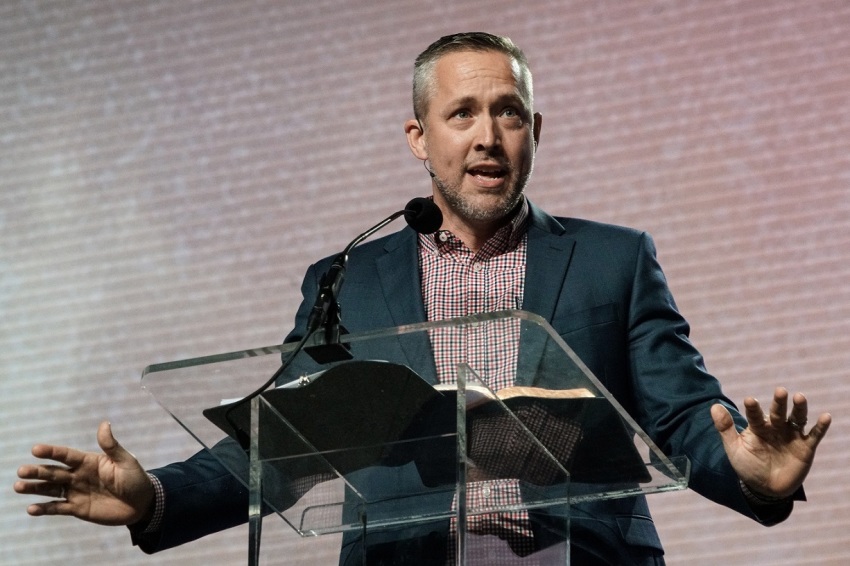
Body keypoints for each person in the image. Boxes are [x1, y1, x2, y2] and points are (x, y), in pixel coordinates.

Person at [14, 32, 831, 565]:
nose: (487, 135)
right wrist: (151, 498)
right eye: (463, 113)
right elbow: (278, 446)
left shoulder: (615, 260)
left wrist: (754, 475)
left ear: (534, 133)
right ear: (420, 138)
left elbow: (685, 419)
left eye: (509, 113)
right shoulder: (348, 281)